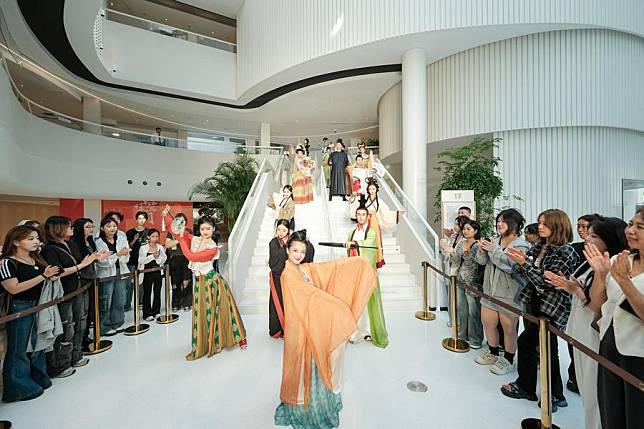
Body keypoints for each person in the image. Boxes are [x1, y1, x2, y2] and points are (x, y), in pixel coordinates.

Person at [274, 230, 376, 428]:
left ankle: (315, 397)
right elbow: (310, 295)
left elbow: (327, 269)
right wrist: (338, 308)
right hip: (302, 328)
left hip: (311, 324)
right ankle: (301, 404)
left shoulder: (302, 268)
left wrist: (356, 263)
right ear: (287, 250)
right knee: (302, 368)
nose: (298, 255)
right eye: (294, 250)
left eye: (302, 252)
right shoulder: (288, 274)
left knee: (316, 364)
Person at [546, 216, 628, 429]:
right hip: (579, 330)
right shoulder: (589, 262)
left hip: (595, 335)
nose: (587, 239)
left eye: (593, 235)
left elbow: (597, 304)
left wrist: (577, 290)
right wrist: (569, 286)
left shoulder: (614, 264)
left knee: (594, 393)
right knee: (586, 389)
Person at [502, 209, 579, 412]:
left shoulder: (565, 251)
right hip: (535, 302)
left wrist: (524, 263)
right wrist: (522, 262)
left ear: (558, 226)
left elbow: (548, 281)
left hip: (551, 307)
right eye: (539, 223)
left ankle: (543, 391)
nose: (540, 227)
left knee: (537, 346)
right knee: (541, 347)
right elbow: (526, 273)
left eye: (545, 223)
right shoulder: (539, 246)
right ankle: (550, 393)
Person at [163, 205, 247, 359]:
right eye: (202, 229)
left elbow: (191, 257)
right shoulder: (195, 239)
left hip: (210, 282)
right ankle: (207, 341)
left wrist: (181, 239)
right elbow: (175, 229)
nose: (205, 232)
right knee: (203, 312)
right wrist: (166, 215)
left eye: (208, 229)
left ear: (213, 229)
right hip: (199, 281)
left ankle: (226, 338)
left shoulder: (213, 248)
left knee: (216, 311)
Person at [586, 207, 644, 429]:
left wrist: (624, 281)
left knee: (636, 416)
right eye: (630, 224)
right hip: (609, 344)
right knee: (610, 411)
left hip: (637, 354)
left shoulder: (622, 269)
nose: (631, 230)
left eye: (640, 227)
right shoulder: (623, 259)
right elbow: (596, 304)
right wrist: (601, 275)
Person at [1, 226, 59, 402]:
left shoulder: (35, 259)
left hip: (39, 305)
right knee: (19, 348)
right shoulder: (7, 262)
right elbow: (13, 288)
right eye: (30, 238)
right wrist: (44, 276)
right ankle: (19, 387)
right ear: (16, 242)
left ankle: (38, 378)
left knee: (37, 344)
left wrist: (50, 276)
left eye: (36, 238)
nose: (36, 242)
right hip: (20, 308)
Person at [41, 216, 101, 377]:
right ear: (58, 228)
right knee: (66, 327)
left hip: (79, 289)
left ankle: (76, 355)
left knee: (80, 323)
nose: (72, 228)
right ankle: (61, 364)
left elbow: (82, 262)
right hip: (65, 294)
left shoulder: (71, 244)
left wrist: (94, 259)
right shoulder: (49, 249)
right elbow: (56, 273)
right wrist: (82, 265)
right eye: (68, 226)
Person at [474, 209, 530, 374]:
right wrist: (482, 250)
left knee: (509, 328)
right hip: (489, 290)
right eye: (498, 221)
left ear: (515, 224)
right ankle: (492, 352)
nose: (499, 224)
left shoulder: (521, 245)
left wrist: (493, 250)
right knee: (488, 322)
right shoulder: (495, 240)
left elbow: (510, 266)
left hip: (509, 293)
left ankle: (508, 359)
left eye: (503, 221)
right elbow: (481, 261)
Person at [565, 213, 600, 392]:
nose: (581, 231)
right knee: (574, 350)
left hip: (591, 321)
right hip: (576, 312)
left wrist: (576, 289)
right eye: (579, 226)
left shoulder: (607, 261)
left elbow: (595, 302)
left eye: (586, 228)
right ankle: (574, 377)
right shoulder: (575, 248)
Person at [345, 205, 388, 347]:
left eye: (363, 214)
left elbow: (369, 250)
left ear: (367, 217)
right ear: (356, 216)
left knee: (369, 302)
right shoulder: (352, 232)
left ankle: (370, 330)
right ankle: (355, 332)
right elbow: (349, 252)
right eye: (359, 214)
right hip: (355, 272)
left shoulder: (371, 233)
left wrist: (356, 244)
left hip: (367, 272)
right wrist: (349, 245)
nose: (361, 217)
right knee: (356, 302)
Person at [441, 219, 484, 349]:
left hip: (473, 283)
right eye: (464, 229)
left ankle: (475, 339)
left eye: (468, 229)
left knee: (473, 311)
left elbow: (478, 263)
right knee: (461, 309)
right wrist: (452, 252)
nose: (465, 231)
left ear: (475, 231)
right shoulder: (461, 242)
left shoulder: (478, 245)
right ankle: (462, 335)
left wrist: (467, 253)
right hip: (459, 279)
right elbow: (456, 262)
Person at [94, 217, 131, 336]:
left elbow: (126, 257)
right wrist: (118, 254)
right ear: (102, 228)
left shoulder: (121, 239)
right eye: (108, 226)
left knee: (119, 299)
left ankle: (117, 322)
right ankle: (104, 327)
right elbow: (102, 262)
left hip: (120, 271)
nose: (112, 228)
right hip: (106, 275)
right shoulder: (98, 242)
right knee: (106, 301)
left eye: (114, 226)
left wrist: (118, 256)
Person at [71, 218, 100, 348]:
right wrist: (92, 258)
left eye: (92, 226)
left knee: (91, 309)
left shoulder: (90, 241)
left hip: (91, 277)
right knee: (82, 310)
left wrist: (98, 257)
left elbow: (93, 259)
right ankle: (79, 340)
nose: (91, 229)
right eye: (88, 226)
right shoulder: (74, 244)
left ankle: (86, 334)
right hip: (81, 279)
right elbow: (80, 262)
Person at [165, 213, 193, 312]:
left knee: (187, 281)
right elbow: (167, 244)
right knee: (175, 282)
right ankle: (176, 303)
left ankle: (187, 303)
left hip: (186, 258)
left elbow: (192, 245)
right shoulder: (171, 232)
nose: (180, 222)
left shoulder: (188, 231)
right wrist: (179, 239)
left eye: (183, 220)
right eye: (178, 220)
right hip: (175, 259)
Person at [138, 229, 167, 321]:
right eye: (153, 236)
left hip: (158, 271)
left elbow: (164, 258)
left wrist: (158, 257)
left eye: (157, 236)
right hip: (147, 272)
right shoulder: (143, 248)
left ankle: (156, 311)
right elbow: (141, 260)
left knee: (157, 292)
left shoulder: (160, 247)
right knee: (147, 292)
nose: (155, 238)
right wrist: (152, 256)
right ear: (148, 237)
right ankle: (147, 313)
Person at [268, 219, 291, 338]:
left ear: (289, 231)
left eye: (284, 230)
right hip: (277, 278)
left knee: (289, 304)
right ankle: (276, 329)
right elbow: (274, 262)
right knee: (277, 302)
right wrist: (285, 249)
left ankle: (289, 329)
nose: (281, 232)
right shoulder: (273, 242)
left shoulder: (292, 242)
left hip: (290, 278)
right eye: (279, 230)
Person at [125, 211, 150, 312]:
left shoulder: (149, 231)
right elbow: (128, 247)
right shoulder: (130, 232)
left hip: (144, 261)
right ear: (136, 219)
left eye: (143, 218)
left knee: (142, 282)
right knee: (130, 283)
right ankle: (127, 304)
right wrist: (134, 240)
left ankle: (141, 302)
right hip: (132, 260)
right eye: (139, 218)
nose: (141, 220)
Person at [347, 155, 370, 220]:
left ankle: (364, 217)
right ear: (356, 161)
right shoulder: (354, 169)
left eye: (361, 160)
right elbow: (354, 180)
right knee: (356, 202)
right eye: (358, 160)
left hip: (365, 187)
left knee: (364, 202)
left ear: (363, 161)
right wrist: (355, 190)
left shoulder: (366, 169)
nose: (359, 161)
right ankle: (355, 216)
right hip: (357, 188)